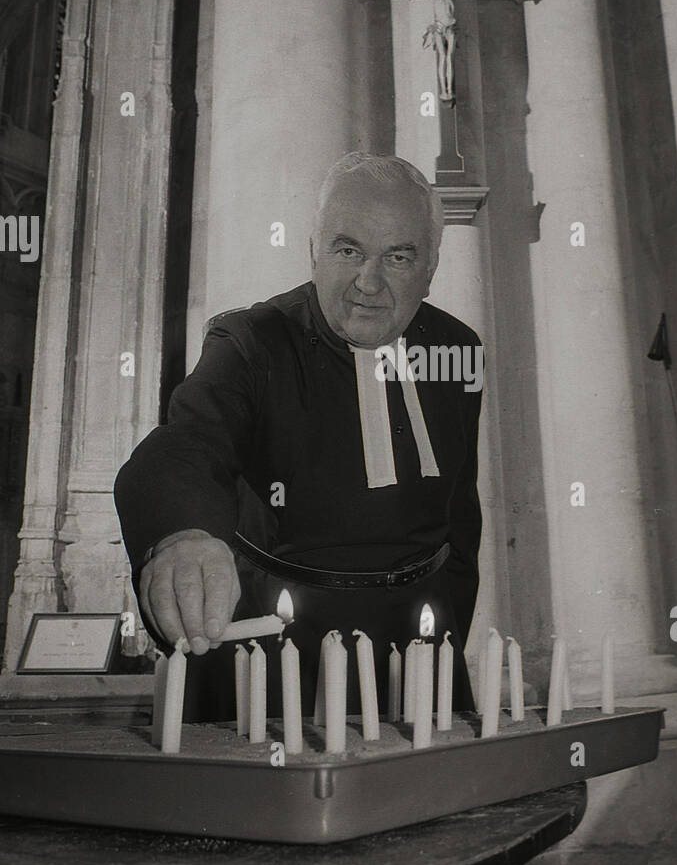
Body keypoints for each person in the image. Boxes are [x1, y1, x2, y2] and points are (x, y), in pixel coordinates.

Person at [114, 152, 483, 721]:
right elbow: (189, 443)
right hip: (278, 644)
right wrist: (183, 534)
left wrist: (448, 619)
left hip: (418, 645)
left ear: (431, 266)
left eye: (399, 257)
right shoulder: (252, 340)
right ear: (313, 249)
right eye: (348, 249)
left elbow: (461, 515)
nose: (368, 282)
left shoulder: (458, 350)